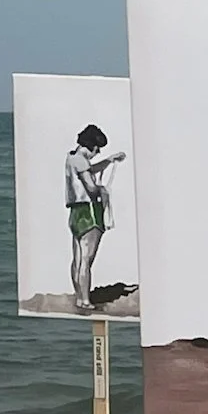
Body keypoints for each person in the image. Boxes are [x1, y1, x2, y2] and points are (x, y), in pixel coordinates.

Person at [64, 124, 127, 311]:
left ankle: (79, 296)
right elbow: (91, 187)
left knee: (77, 258)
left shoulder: (72, 157)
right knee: (86, 260)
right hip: (89, 211)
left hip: (75, 212)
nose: (97, 152)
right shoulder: (82, 161)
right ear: (91, 145)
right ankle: (85, 300)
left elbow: (89, 169)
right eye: (97, 148)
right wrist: (103, 190)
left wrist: (109, 160)